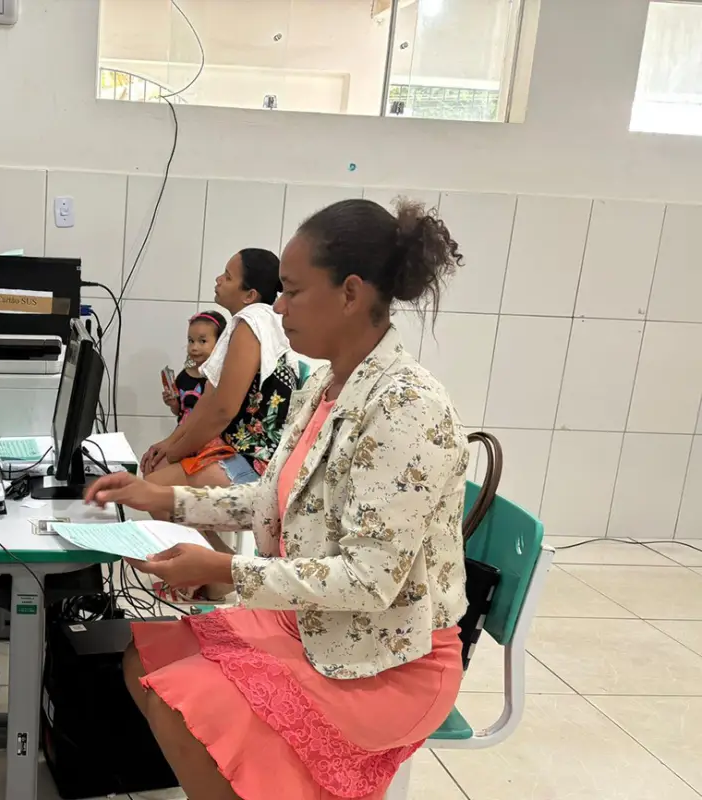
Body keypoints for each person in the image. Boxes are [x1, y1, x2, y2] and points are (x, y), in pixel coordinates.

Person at [84, 197, 469, 800]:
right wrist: (163, 501)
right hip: (315, 622)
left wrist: (222, 569)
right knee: (143, 663)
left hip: (387, 655)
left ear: (350, 293)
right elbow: (271, 498)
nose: (278, 307)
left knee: (187, 702)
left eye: (290, 291)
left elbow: (371, 580)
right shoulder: (323, 385)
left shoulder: (406, 406)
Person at [143, 248, 302, 600]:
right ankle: (219, 572)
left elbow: (221, 412)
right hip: (253, 454)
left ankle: (216, 572)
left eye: (228, 276)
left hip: (253, 462)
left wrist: (172, 452)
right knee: (157, 475)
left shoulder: (251, 322)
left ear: (250, 294)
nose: (218, 279)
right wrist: (170, 444)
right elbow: (208, 403)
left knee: (153, 489)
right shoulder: (253, 323)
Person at [161, 310, 227, 423]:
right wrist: (173, 404)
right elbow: (180, 411)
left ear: (220, 343)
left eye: (202, 341)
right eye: (191, 340)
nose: (194, 347)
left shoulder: (223, 377)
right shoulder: (183, 376)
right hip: (184, 435)